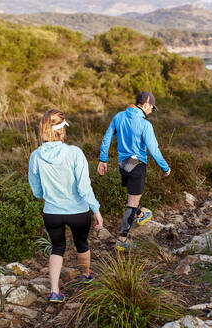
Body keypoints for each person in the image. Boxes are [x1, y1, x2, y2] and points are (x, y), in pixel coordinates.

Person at [28, 109, 103, 303]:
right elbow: (84, 186)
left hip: (51, 212)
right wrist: (96, 209)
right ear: (62, 131)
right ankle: (86, 274)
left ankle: (54, 291)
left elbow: (35, 188)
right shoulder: (74, 153)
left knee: (57, 247)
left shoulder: (35, 156)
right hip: (78, 211)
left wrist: (43, 197)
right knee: (81, 243)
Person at [97, 91, 171, 251]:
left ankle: (140, 214)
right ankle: (122, 240)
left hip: (123, 164)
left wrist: (102, 159)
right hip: (137, 165)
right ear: (145, 105)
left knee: (132, 195)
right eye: (151, 107)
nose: (151, 111)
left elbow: (106, 138)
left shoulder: (118, 117)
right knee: (132, 203)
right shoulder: (145, 125)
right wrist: (165, 167)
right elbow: (154, 149)